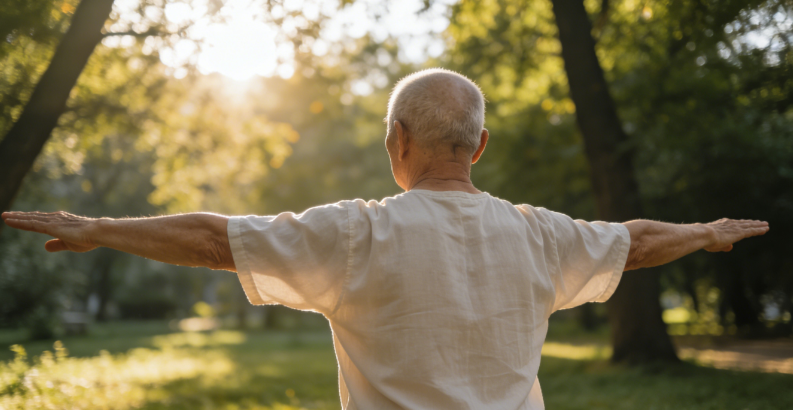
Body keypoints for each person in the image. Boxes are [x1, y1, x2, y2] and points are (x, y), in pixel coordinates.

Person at [1, 68, 769, 409]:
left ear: (395, 139)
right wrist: (701, 232)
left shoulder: (355, 233)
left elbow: (213, 239)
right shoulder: (541, 235)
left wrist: (101, 226)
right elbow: (632, 242)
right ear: (480, 144)